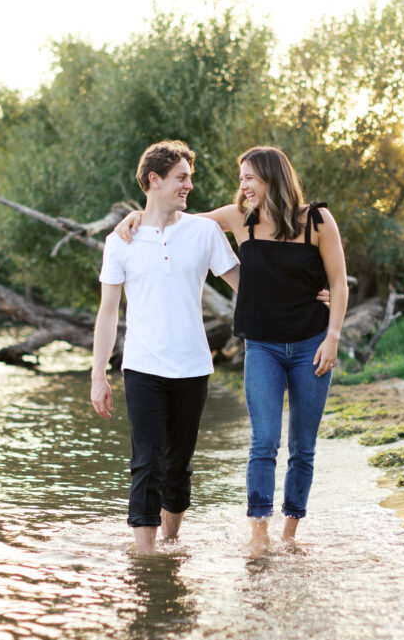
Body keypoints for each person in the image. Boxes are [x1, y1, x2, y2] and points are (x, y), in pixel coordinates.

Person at [115, 146, 348, 557]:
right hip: (262, 345)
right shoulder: (239, 218)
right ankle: (259, 535)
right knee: (263, 441)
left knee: (303, 446)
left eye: (249, 178)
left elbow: (340, 283)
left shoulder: (316, 220)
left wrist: (333, 336)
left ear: (272, 177)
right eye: (240, 179)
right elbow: (174, 223)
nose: (242, 186)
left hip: (312, 341)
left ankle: (290, 533)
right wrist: (136, 217)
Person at [91, 140, 240, 554]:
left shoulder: (203, 232)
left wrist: (308, 294)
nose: (189, 185)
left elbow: (247, 286)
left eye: (189, 177)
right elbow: (107, 313)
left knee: (178, 469)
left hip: (193, 367)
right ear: (154, 180)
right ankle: (146, 561)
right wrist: (98, 374)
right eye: (182, 177)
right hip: (142, 367)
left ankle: (172, 545)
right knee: (146, 463)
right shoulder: (120, 241)